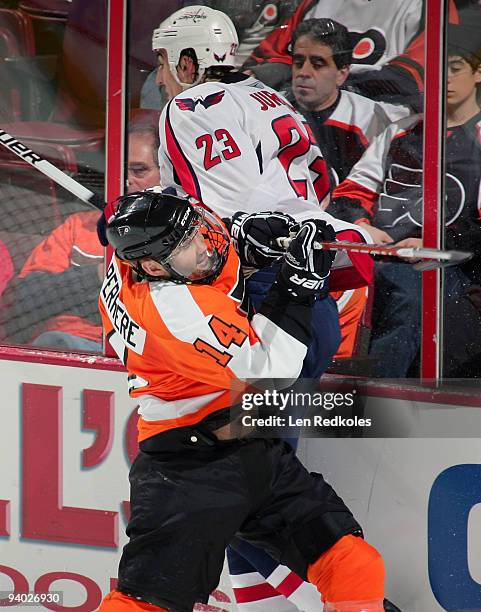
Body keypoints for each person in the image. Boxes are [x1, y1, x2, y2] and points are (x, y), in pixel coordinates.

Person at [149, 6, 376, 608]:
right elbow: (304, 189)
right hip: (311, 300)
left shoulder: (194, 106)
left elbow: (232, 221)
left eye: (166, 63)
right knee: (258, 475)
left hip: (268, 303)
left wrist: (152, 234)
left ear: (189, 60)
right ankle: (294, 600)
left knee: (241, 482)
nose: (161, 78)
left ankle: (324, 601)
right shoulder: (266, 97)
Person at [98, 190, 385, 612]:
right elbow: (273, 372)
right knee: (143, 604)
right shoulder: (174, 309)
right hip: (188, 473)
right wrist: (297, 284)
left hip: (251, 451)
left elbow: (206, 262)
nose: (203, 247)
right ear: (153, 266)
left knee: (352, 564)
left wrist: (240, 235)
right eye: (185, 247)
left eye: (197, 230)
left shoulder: (142, 263)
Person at [328, 23, 481, 377]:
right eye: (438, 68)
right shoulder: (401, 130)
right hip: (381, 252)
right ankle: (325, 385)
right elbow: (351, 192)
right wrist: (363, 225)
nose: (444, 77)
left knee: (411, 294)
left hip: (445, 262)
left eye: (455, 67)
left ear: (477, 74)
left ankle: (375, 401)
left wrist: (437, 242)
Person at [1, 124, 161, 351]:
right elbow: (22, 299)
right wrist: (96, 276)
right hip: (67, 347)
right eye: (119, 169)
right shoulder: (78, 227)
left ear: (164, 172)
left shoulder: (182, 234)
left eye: (139, 170)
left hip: (141, 354)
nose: (126, 180)